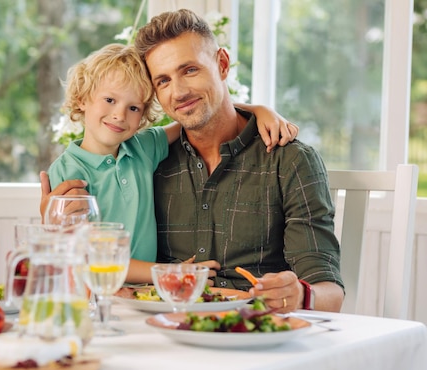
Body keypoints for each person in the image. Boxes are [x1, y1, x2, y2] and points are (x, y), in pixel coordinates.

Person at [130, 9, 343, 312]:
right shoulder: (149, 162)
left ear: (222, 64)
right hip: (168, 333)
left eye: (190, 70)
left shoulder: (290, 160)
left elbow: (329, 294)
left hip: (258, 332)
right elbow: (100, 248)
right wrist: (61, 213)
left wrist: (299, 294)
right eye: (163, 81)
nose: (178, 92)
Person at [46, 43, 297, 283]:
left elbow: (201, 112)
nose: (119, 115)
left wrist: (259, 110)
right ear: (82, 98)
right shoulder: (68, 173)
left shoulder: (142, 147)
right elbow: (90, 257)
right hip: (95, 292)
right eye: (110, 100)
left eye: (133, 107)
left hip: (146, 294)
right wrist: (168, 272)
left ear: (143, 116)